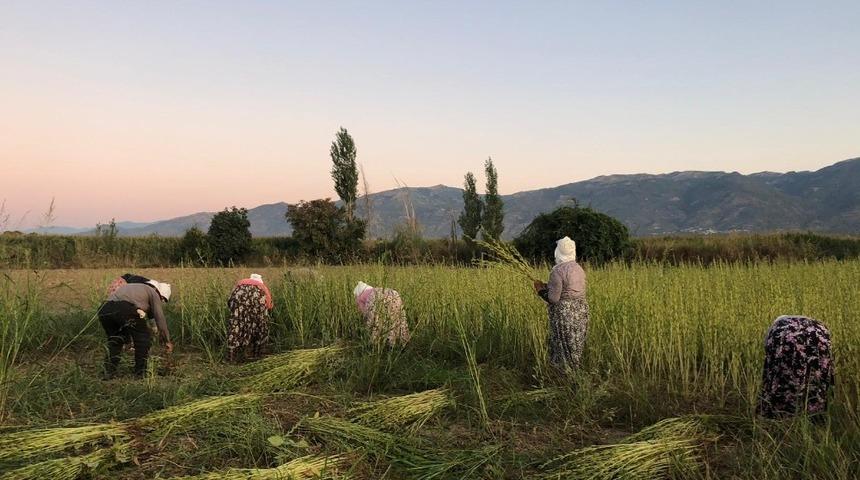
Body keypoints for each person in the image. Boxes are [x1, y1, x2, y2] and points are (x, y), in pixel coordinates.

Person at [757, 315, 834, 419]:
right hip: (819, 333)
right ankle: (816, 412)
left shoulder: (777, 327)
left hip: (786, 334)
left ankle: (782, 412)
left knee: (784, 373)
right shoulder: (817, 325)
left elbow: (770, 364)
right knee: (818, 371)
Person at [533, 236, 589, 372]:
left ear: (558, 252)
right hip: (581, 311)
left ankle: (564, 377)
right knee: (575, 343)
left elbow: (553, 299)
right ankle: (575, 372)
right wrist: (547, 286)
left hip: (565, 314)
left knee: (563, 345)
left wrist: (540, 289)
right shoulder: (578, 268)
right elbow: (568, 288)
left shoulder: (557, 271)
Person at [98, 280, 173, 378]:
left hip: (104, 309)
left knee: (116, 340)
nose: (161, 301)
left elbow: (149, 316)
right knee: (143, 339)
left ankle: (108, 372)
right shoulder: (153, 292)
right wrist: (167, 340)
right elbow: (159, 317)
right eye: (162, 299)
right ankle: (140, 373)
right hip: (123, 308)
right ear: (159, 292)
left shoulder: (136, 287)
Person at [226, 273, 273, 362]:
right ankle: (256, 354)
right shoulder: (262, 287)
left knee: (236, 326)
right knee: (260, 325)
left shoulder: (240, 283)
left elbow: (230, 299)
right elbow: (269, 304)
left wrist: (235, 312)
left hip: (238, 302)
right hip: (257, 303)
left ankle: (231, 356)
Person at [354, 281, 410, 347]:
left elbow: (364, 313)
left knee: (376, 322)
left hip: (377, 298)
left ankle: (376, 344)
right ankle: (399, 342)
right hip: (394, 294)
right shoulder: (375, 289)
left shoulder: (359, 297)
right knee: (395, 319)